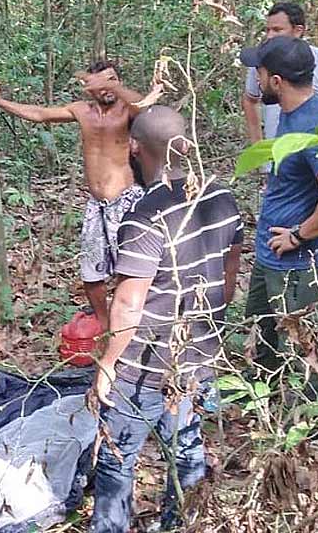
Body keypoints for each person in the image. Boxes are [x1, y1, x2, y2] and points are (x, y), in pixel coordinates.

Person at [91, 105, 243, 532]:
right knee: (187, 450)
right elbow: (229, 279)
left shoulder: (148, 215)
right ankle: (183, 523)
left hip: (145, 363)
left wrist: (107, 363)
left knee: (117, 458)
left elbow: (129, 303)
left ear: (136, 149)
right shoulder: (223, 197)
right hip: (199, 352)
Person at [0, 61, 161, 324]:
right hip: (96, 205)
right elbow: (40, 114)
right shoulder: (82, 110)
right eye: (100, 84)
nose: (107, 88)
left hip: (126, 199)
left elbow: (146, 107)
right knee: (91, 273)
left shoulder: (127, 109)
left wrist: (113, 85)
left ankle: (134, 324)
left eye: (112, 80)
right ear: (88, 89)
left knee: (131, 268)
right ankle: (104, 325)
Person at [239, 36, 318, 377]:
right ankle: (260, 404)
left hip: (300, 261)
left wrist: (299, 236)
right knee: (261, 333)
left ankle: (305, 424)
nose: (255, 80)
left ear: (276, 81)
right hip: (273, 254)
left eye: (259, 72)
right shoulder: (290, 112)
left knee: (298, 350)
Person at [241, 2, 318, 145]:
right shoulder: (261, 61)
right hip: (275, 154)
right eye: (267, 30)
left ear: (298, 30)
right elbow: (250, 99)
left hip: (315, 147)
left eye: (277, 30)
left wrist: (311, 102)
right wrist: (257, 145)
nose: (270, 36)